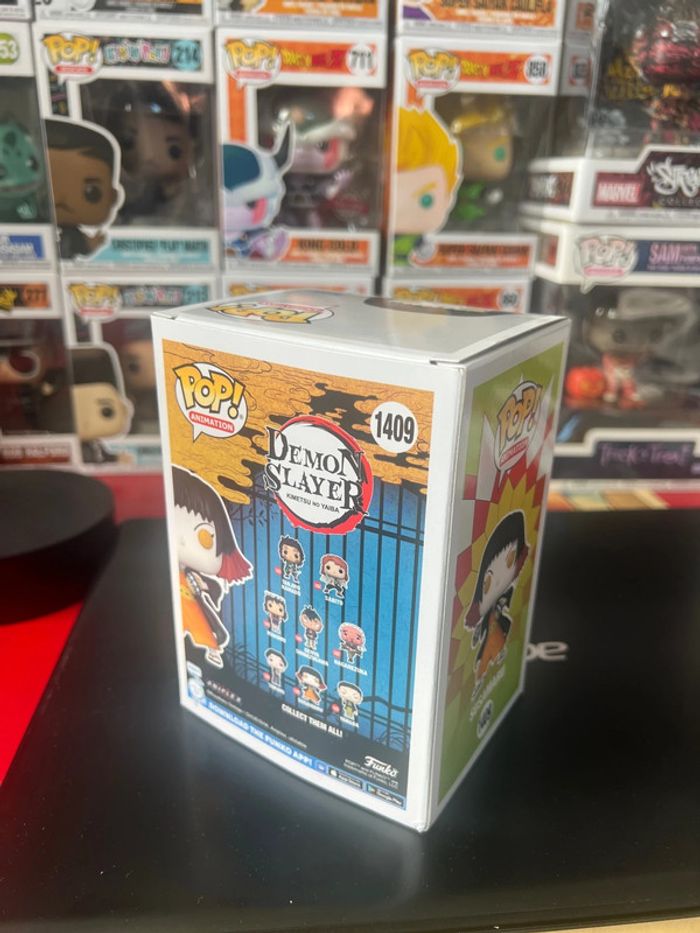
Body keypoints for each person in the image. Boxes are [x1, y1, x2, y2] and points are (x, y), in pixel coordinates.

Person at [173, 466, 253, 668]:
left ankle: (211, 650)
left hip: (190, 603)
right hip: (176, 604)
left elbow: (208, 587)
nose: (182, 540)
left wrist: (204, 585)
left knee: (201, 626)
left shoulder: (191, 574)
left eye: (205, 538)